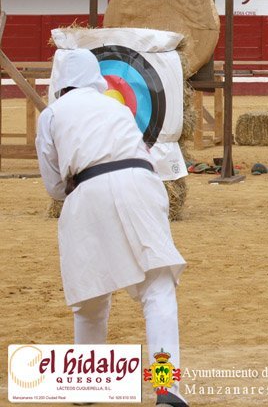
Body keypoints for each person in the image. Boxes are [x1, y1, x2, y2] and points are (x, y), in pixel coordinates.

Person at [36, 48, 189, 406]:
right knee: (157, 289)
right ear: (96, 77)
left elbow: (54, 186)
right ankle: (167, 389)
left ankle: (87, 385)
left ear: (62, 83)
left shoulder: (52, 114)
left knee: (90, 300)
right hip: (140, 183)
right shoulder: (117, 108)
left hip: (86, 193)